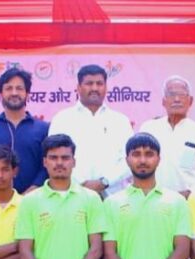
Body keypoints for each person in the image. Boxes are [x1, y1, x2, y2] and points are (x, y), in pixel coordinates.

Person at [104, 133, 191, 259]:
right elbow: (108, 252)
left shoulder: (176, 201)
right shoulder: (112, 203)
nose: (142, 160)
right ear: (127, 160)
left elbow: (182, 250)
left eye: (149, 154)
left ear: (158, 159)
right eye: (136, 154)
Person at [48, 64, 134, 197]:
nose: (94, 88)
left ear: (106, 87)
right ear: (78, 88)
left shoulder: (120, 121)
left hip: (113, 197)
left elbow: (130, 159)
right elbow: (54, 156)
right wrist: (82, 183)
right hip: (72, 195)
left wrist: (105, 182)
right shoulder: (62, 119)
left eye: (99, 84)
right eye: (89, 83)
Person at [0, 67, 49, 195]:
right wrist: (2, 197)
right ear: (0, 94)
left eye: (19, 88)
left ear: (27, 94)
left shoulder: (43, 129)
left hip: (34, 200)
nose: (14, 93)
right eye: (9, 88)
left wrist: (28, 196)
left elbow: (46, 166)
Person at [138, 76, 195, 197]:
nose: (177, 99)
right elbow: (137, 165)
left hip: (190, 201)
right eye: (171, 94)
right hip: (153, 200)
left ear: (190, 101)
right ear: (163, 101)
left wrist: (191, 193)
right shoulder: (148, 129)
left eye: (182, 95)